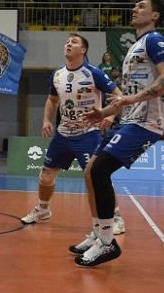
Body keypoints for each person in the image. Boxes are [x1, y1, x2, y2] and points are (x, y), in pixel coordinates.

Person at [75, 0, 164, 267]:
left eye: (141, 6)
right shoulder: (136, 46)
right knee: (90, 171)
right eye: (134, 5)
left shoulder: (155, 40)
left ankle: (108, 242)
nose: (134, 8)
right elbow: (127, 95)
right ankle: (99, 233)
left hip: (145, 123)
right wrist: (104, 113)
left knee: (100, 170)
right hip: (128, 119)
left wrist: (131, 100)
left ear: (155, 15)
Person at [20, 33, 123, 229]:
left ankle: (116, 217)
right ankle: (43, 209)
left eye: (73, 42)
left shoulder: (94, 73)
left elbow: (119, 96)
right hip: (63, 134)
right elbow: (52, 100)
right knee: (45, 176)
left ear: (83, 50)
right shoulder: (57, 74)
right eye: (67, 42)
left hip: (88, 134)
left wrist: (110, 117)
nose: (68, 44)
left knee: (97, 177)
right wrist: (46, 121)